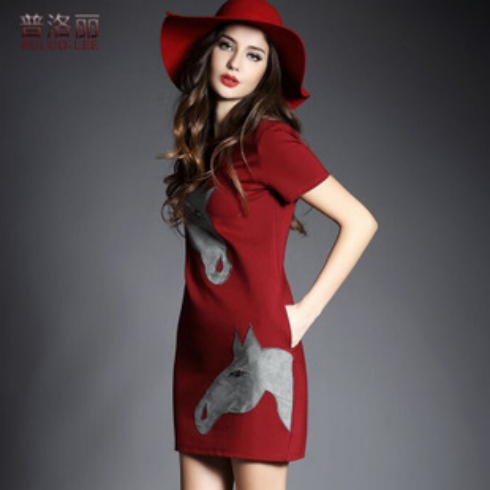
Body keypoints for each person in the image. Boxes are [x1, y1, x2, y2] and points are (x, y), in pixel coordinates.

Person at [158, 1, 378, 489]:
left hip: (256, 359)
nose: (236, 63)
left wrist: (304, 314)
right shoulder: (204, 146)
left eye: (254, 55)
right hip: (198, 350)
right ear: (208, 53)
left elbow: (360, 221)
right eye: (226, 46)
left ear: (267, 72)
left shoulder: (268, 140)